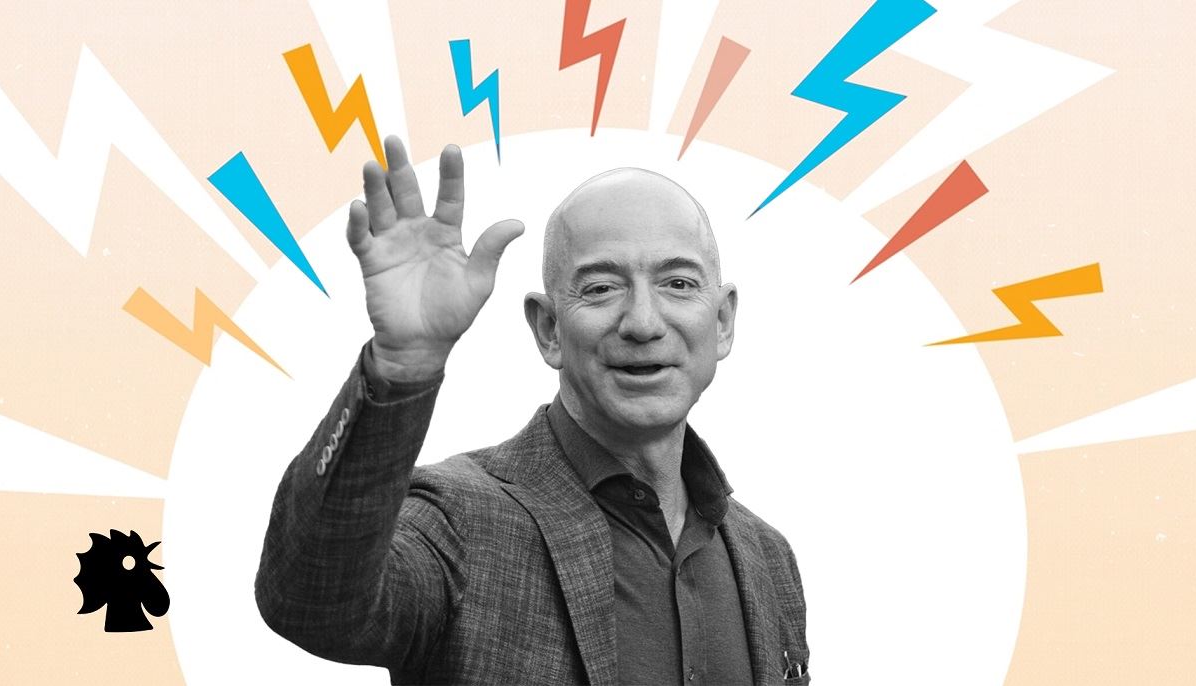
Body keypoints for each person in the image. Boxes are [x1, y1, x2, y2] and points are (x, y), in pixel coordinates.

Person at [256, 136, 810, 685]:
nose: (643, 322)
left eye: (678, 283)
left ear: (722, 321)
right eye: (601, 288)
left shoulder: (767, 558)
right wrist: (402, 364)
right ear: (548, 329)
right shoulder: (458, 519)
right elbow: (314, 601)